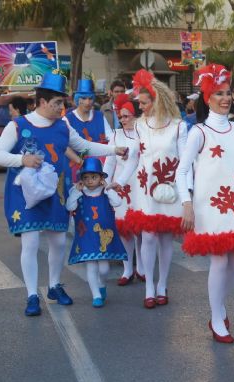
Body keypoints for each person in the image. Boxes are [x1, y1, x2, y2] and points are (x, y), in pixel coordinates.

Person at [0, 71, 128, 316]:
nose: (61, 107)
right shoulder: (18, 125)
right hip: (26, 194)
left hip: (56, 191)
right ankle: (32, 294)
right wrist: (22, 158)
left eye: (62, 103)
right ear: (42, 102)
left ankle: (54, 286)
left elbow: (84, 146)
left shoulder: (63, 126)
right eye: (57, 103)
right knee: (31, 242)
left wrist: (114, 149)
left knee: (58, 241)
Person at [176, 63, 234, 343]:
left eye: (228, 92)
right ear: (208, 98)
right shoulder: (199, 133)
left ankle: (219, 306)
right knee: (219, 262)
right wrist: (186, 202)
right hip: (210, 206)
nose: (226, 98)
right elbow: (181, 171)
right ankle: (217, 316)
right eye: (218, 93)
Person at [122, 70, 186, 309]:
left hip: (169, 188)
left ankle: (162, 284)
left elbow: (186, 161)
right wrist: (119, 180)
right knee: (148, 236)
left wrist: (188, 193)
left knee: (166, 239)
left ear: (157, 101)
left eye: (144, 102)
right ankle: (149, 285)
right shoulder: (139, 126)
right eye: (139, 103)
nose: (140, 107)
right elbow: (133, 158)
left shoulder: (179, 127)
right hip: (145, 187)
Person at [66, 157, 126, 307]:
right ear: (81, 179)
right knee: (91, 265)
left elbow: (117, 203)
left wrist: (107, 189)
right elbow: (70, 207)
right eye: (86, 178)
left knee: (104, 268)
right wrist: (76, 192)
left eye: (94, 177)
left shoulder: (105, 192)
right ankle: (96, 295)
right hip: (86, 235)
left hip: (104, 236)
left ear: (101, 178)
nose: (90, 181)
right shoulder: (78, 192)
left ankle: (101, 283)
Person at [103, 93, 144, 285]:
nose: (123, 119)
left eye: (127, 116)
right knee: (124, 230)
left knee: (141, 230)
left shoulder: (144, 134)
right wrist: (104, 181)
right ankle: (127, 269)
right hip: (120, 188)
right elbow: (110, 162)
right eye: (120, 116)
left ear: (136, 115)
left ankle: (142, 267)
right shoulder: (116, 135)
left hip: (140, 185)